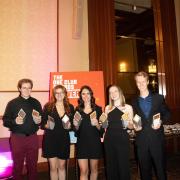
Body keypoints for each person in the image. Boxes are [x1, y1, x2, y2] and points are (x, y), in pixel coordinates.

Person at [132, 71, 171, 180]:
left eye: (143, 82)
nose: (141, 84)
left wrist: (161, 121)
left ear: (148, 81)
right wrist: (135, 125)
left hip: (157, 140)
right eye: (138, 82)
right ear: (136, 83)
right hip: (141, 141)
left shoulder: (158, 98)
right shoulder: (134, 101)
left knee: (160, 170)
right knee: (144, 172)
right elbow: (135, 117)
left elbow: (167, 113)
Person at [3, 79, 42, 180]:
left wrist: (39, 121)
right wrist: (15, 121)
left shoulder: (36, 102)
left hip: (33, 137)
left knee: (33, 166)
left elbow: (41, 120)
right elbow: (5, 121)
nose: (27, 90)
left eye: (29, 88)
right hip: (17, 138)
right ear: (19, 88)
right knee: (17, 166)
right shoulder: (12, 103)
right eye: (24, 87)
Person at [41, 85, 74, 180]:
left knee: (62, 166)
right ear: (54, 94)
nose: (59, 95)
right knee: (52, 167)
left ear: (65, 94)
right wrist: (47, 125)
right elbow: (42, 124)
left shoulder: (70, 107)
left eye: (61, 92)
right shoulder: (48, 106)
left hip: (64, 140)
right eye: (57, 93)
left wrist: (70, 126)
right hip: (50, 140)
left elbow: (72, 125)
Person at [73, 85, 103, 180]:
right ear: (81, 96)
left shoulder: (98, 109)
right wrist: (76, 125)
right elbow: (76, 131)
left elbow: (102, 129)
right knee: (83, 170)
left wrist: (97, 124)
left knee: (94, 169)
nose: (86, 96)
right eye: (83, 94)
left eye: (88, 93)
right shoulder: (77, 110)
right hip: (81, 143)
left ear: (91, 95)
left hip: (95, 143)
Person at [104, 85, 133, 180]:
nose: (113, 94)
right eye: (111, 92)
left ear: (120, 92)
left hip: (122, 139)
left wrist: (128, 123)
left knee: (123, 165)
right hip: (109, 139)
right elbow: (105, 126)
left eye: (115, 91)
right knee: (111, 165)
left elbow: (131, 126)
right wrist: (103, 122)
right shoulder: (107, 108)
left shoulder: (128, 107)